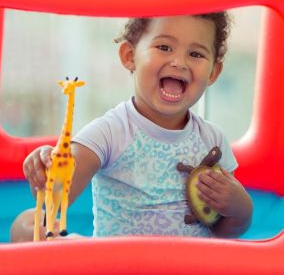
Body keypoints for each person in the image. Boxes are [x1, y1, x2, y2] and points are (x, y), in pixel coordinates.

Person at [23, 13, 253, 239]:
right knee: (30, 223)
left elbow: (224, 233)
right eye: (164, 47)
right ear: (130, 55)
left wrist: (240, 209)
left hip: (188, 266)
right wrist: (48, 170)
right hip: (116, 265)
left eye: (195, 53)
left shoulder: (212, 141)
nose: (179, 62)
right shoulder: (111, 132)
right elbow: (57, 196)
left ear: (213, 71)